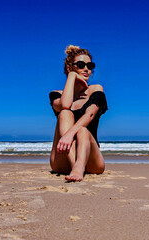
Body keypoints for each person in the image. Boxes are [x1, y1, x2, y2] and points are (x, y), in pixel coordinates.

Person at [49, 45, 108, 182]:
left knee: (82, 129)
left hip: (90, 160)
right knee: (64, 113)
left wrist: (70, 134)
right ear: (70, 67)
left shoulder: (96, 89)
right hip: (62, 159)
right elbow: (65, 105)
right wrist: (71, 77)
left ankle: (78, 166)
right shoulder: (57, 95)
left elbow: (90, 115)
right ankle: (74, 165)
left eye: (90, 65)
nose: (86, 69)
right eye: (81, 65)